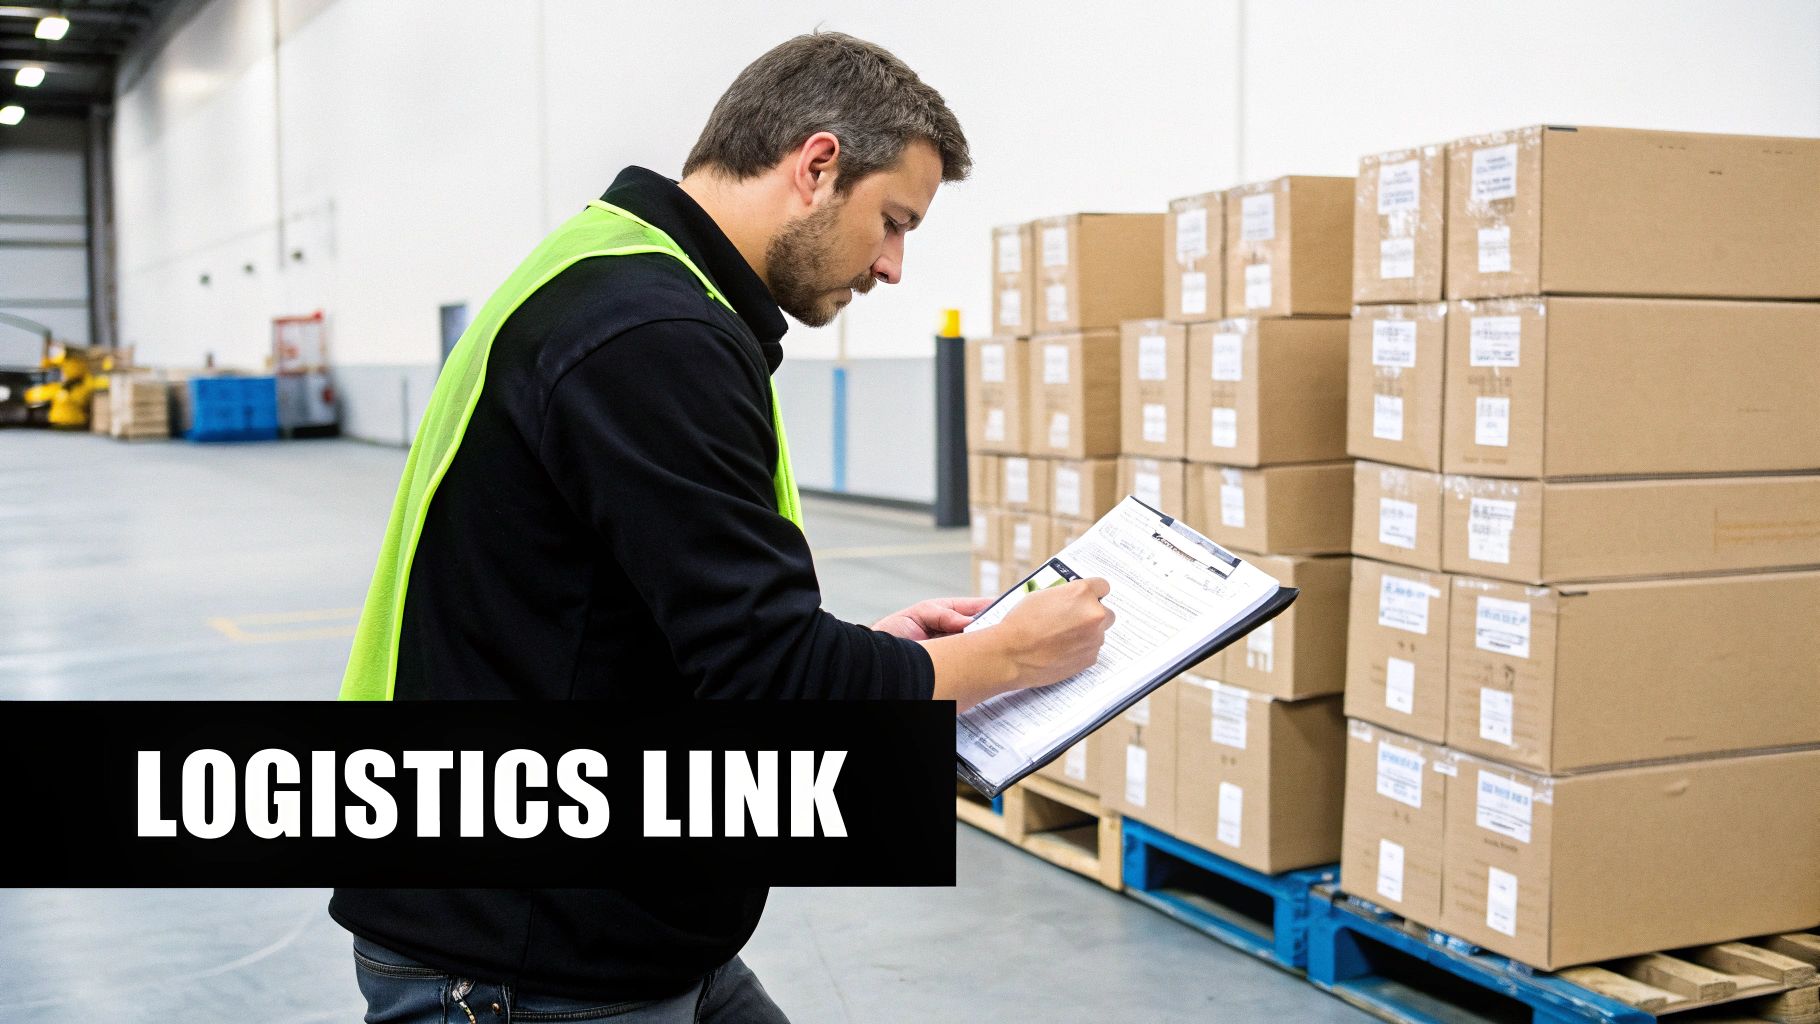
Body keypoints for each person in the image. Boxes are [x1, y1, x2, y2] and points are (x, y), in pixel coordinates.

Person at [331, 30, 1113, 1023]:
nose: (892, 266)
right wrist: (1004, 658)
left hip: (624, 927)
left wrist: (866, 653)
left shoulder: (614, 274)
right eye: (892, 221)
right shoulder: (656, 333)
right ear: (816, 164)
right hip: (524, 962)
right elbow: (775, 688)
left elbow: (649, 616)